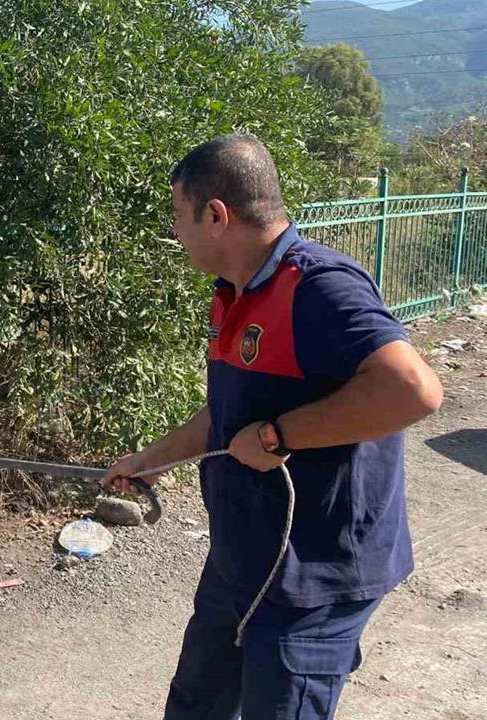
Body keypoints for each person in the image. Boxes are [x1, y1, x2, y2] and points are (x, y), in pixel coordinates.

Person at [103, 134, 443, 720]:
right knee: (193, 708)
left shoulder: (317, 286)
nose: (175, 232)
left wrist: (277, 437)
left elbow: (413, 389)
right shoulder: (234, 294)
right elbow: (226, 417)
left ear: (216, 215)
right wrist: (150, 460)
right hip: (242, 562)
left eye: (178, 216)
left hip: (312, 577)